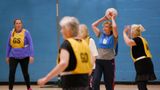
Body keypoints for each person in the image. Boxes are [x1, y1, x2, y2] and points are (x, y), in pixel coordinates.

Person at [38, 16, 92, 90]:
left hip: (71, 84)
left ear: (68, 29)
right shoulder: (84, 43)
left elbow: (63, 63)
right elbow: (90, 64)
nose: (61, 31)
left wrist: (46, 78)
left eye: (63, 28)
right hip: (85, 84)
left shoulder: (67, 44)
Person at [123, 24, 156, 90]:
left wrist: (124, 32)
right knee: (142, 84)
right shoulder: (140, 39)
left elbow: (128, 42)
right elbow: (130, 40)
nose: (131, 33)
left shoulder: (137, 39)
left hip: (142, 64)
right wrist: (128, 33)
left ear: (134, 32)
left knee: (141, 84)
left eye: (131, 31)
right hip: (145, 62)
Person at [91, 12, 118, 90]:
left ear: (110, 28)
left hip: (109, 62)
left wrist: (112, 18)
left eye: (106, 27)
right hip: (99, 61)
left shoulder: (114, 36)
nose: (104, 28)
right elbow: (93, 25)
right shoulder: (100, 34)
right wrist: (104, 18)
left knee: (108, 83)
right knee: (95, 80)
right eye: (104, 27)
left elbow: (115, 27)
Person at [6, 19, 34, 90]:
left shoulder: (26, 32)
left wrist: (31, 55)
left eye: (19, 23)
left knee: (25, 73)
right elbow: (8, 45)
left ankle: (29, 87)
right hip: (13, 56)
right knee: (11, 73)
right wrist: (7, 56)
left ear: (21, 24)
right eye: (16, 23)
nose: (18, 25)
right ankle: (10, 88)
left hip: (24, 56)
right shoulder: (11, 33)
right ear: (14, 25)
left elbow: (31, 44)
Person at [78, 24, 98, 90]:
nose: (79, 33)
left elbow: (94, 55)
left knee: (90, 87)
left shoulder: (90, 40)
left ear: (85, 32)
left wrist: (90, 68)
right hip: (81, 69)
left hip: (90, 69)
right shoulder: (78, 41)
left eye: (81, 31)